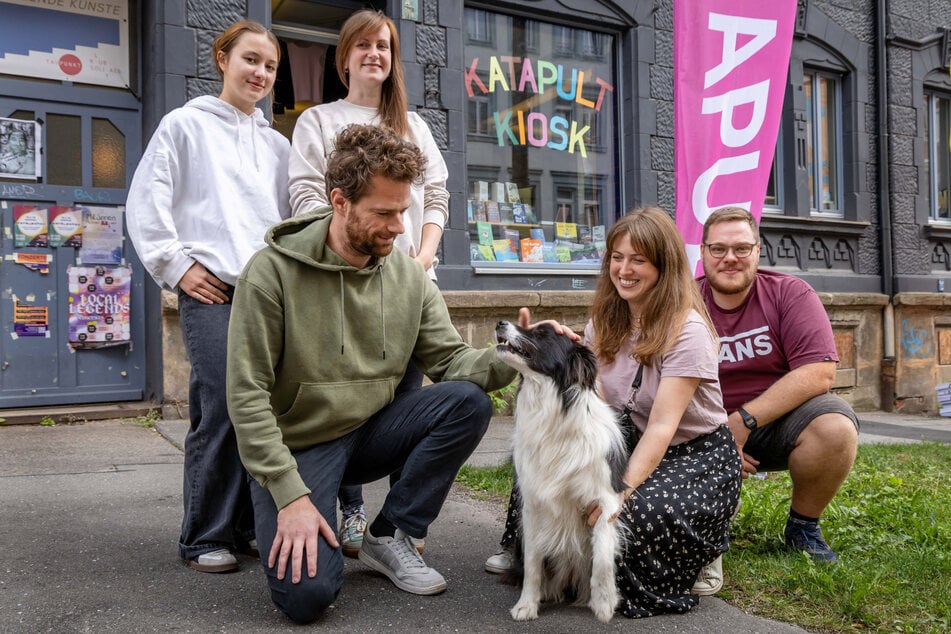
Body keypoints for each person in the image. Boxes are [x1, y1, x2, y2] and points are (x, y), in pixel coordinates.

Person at [226, 123, 572, 624]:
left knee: (466, 402)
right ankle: (268, 501)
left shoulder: (408, 276)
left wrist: (520, 352)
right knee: (307, 598)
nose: (397, 226)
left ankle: (390, 533)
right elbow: (247, 395)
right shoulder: (270, 273)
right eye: (383, 213)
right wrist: (290, 496)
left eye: (403, 211)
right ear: (339, 201)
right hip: (298, 446)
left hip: (368, 431)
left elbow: (452, 362)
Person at [487, 207, 742, 617]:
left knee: (628, 520)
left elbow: (661, 427)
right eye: (616, 258)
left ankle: (702, 549)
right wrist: (558, 355)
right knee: (541, 479)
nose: (624, 270)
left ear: (664, 266)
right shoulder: (605, 320)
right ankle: (532, 552)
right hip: (630, 435)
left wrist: (620, 492)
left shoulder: (689, 332)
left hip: (693, 455)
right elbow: (603, 403)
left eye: (638, 259)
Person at [126, 20, 290, 573]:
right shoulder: (184, 126)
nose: (260, 73)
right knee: (221, 407)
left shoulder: (278, 146)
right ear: (222, 58)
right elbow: (146, 200)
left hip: (268, 295)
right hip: (216, 291)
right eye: (250, 60)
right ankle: (205, 535)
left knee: (266, 410)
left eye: (269, 66)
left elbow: (292, 223)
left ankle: (246, 526)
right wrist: (177, 265)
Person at [287, 9, 450, 556]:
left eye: (383, 45)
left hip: (407, 287)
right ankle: (351, 511)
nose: (374, 54)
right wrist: (340, 253)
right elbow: (307, 194)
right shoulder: (318, 121)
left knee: (408, 398)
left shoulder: (414, 125)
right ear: (344, 56)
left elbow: (439, 197)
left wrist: (422, 256)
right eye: (363, 45)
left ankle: (399, 523)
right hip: (343, 284)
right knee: (349, 397)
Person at [698, 206, 859, 563]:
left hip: (775, 424)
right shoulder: (684, 303)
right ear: (703, 253)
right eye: (719, 249)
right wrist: (717, 434)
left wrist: (741, 422)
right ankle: (704, 517)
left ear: (757, 250)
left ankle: (803, 526)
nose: (730, 258)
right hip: (701, 427)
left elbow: (820, 372)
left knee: (835, 427)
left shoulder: (790, 294)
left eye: (742, 248)